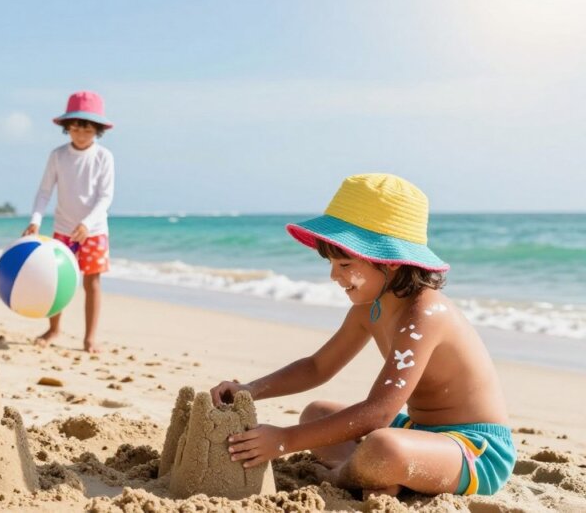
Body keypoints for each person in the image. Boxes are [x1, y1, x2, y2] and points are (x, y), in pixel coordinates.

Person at [210, 174, 515, 498]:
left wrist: (285, 440)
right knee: (317, 412)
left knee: (384, 447)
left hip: (472, 448)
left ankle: (346, 474)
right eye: (331, 263)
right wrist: (249, 390)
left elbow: (378, 413)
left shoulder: (425, 315)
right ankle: (371, 475)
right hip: (416, 431)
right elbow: (317, 367)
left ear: (390, 262)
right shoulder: (370, 309)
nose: (333, 275)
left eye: (344, 263)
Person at [23, 91, 115, 354]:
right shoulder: (58, 156)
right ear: (66, 127)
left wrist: (87, 223)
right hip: (63, 229)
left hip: (94, 231)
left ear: (97, 128)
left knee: (92, 283)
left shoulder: (103, 157)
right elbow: (44, 192)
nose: (81, 131)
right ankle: (54, 328)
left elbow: (105, 196)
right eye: (75, 125)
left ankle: (89, 338)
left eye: (87, 126)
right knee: (56, 280)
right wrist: (35, 220)